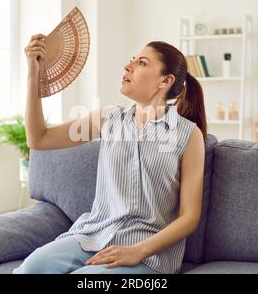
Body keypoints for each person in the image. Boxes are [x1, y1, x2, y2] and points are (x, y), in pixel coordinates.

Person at [13, 34, 206, 274]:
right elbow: (38, 139)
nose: (128, 66)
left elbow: (189, 217)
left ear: (165, 81)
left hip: (148, 253)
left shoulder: (188, 135)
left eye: (142, 63)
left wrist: (140, 250)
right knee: (31, 268)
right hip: (93, 235)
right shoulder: (108, 119)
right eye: (132, 60)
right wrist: (34, 73)